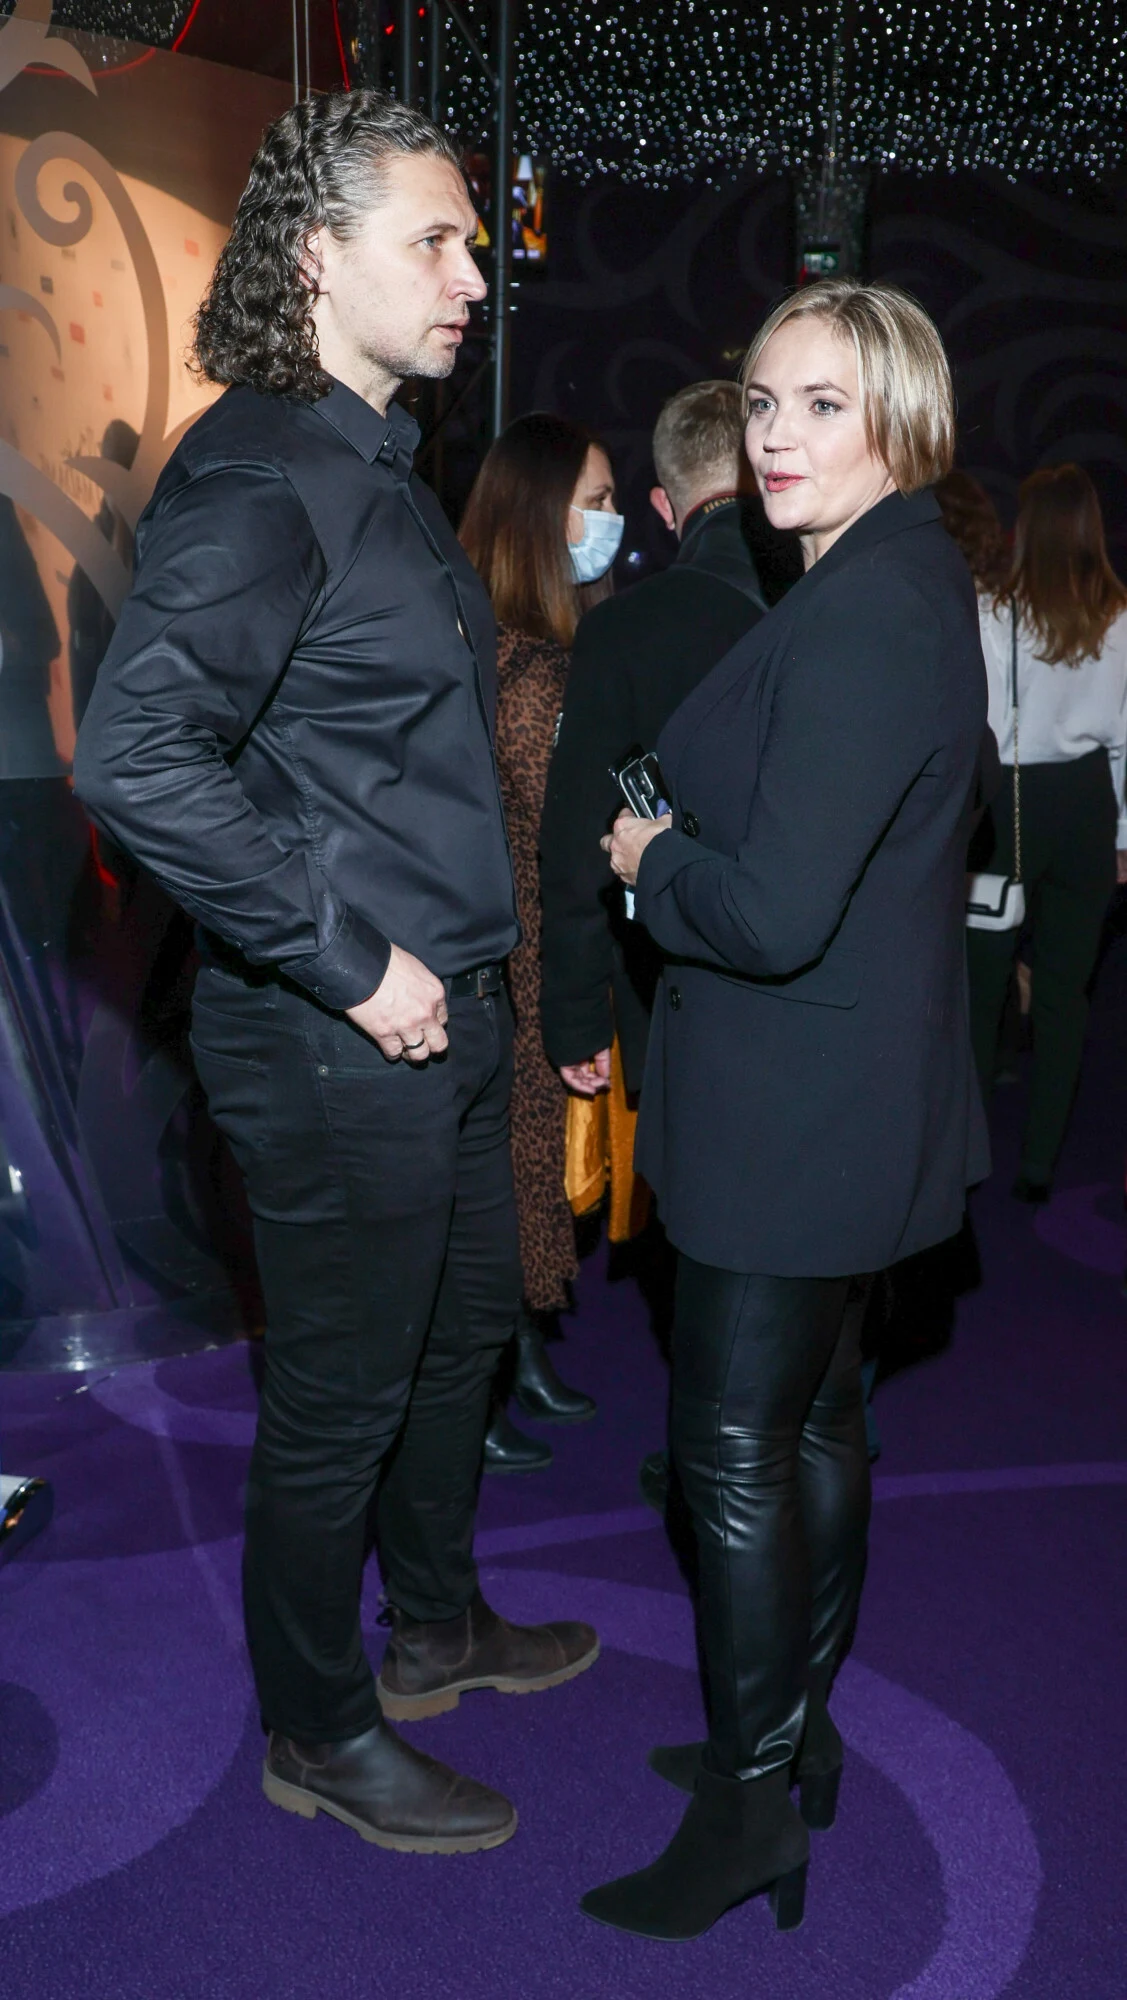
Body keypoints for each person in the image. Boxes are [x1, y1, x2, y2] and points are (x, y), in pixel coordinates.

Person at [73, 88, 597, 1860]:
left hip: (448, 1013)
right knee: (338, 1400)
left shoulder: (373, 462)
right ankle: (315, 1728)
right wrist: (350, 958)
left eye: (473, 243)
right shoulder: (261, 473)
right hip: (333, 1035)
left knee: (458, 1344)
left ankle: (434, 1626)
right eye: (433, 241)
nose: (473, 277)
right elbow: (135, 757)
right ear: (315, 257)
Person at [580, 279, 988, 1941]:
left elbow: (767, 913)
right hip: (832, 1097)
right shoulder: (879, 577)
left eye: (821, 404)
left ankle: (751, 1807)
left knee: (732, 1454)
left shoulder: (871, 607)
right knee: (810, 1427)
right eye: (758, 402)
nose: (773, 435)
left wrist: (649, 861)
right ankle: (790, 1738)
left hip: (793, 1113)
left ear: (902, 419)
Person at [539, 377, 802, 1509]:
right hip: (838, 1001)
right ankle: (813, 1429)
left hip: (677, 993)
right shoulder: (837, 607)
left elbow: (572, 851)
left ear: (662, 504)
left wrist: (569, 1012)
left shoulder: (627, 629)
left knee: (698, 1243)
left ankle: (719, 1458)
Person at [459, 412, 614, 1469]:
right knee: (504, 1176)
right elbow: (566, 822)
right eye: (594, 501)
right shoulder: (523, 669)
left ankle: (519, 1357)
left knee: (525, 1167)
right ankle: (472, 1389)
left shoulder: (530, 648)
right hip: (509, 953)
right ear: (538, 513)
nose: (609, 520)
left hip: (524, 944)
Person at [967, 463, 1127, 1201]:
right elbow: (1125, 741)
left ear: (1025, 527)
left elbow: (985, 730)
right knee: (1066, 994)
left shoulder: (994, 609)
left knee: (980, 987)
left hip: (1011, 807)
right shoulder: (1118, 614)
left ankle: (963, 1158)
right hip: (1089, 805)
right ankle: (1037, 1166)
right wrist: (1123, 836)